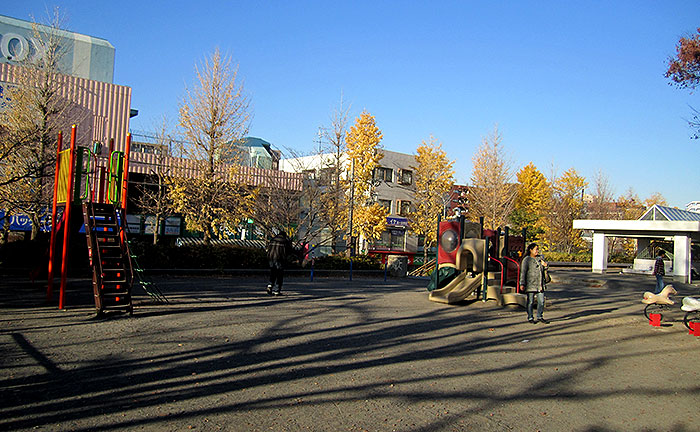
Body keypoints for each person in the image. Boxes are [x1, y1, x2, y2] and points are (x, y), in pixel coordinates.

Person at [520, 243, 549, 324]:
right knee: (530, 301)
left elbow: (544, 270)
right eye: (536, 249)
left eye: (537, 249)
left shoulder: (540, 259)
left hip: (540, 283)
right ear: (531, 250)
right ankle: (530, 317)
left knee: (541, 301)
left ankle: (540, 316)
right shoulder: (527, 260)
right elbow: (523, 272)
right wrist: (522, 283)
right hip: (530, 283)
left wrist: (545, 266)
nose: (537, 251)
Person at [266, 230, 293, 296]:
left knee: (273, 272)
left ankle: (270, 285)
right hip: (279, 259)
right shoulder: (284, 241)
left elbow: (267, 248)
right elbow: (289, 251)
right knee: (279, 275)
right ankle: (277, 291)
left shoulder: (273, 240)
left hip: (271, 258)